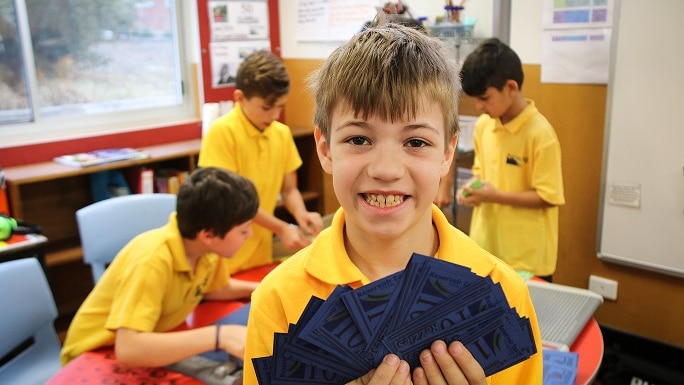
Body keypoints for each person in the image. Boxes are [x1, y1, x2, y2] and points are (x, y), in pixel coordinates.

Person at [243, 24, 543, 385]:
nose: (386, 170)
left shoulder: (503, 292)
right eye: (358, 138)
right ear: (325, 149)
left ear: (447, 152)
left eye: (416, 142)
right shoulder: (277, 301)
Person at [60, 167, 261, 367]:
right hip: (93, 357)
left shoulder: (205, 251)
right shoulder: (151, 261)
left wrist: (262, 291)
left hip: (151, 342)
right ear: (207, 235)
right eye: (244, 230)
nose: (250, 235)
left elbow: (217, 289)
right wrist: (220, 337)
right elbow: (129, 349)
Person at [199, 50, 324, 274]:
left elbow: (289, 190)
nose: (275, 114)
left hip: (260, 252)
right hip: (223, 258)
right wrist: (282, 228)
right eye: (267, 107)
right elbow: (233, 203)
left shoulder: (281, 134)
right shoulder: (222, 133)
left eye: (280, 106)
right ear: (239, 97)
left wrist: (301, 214)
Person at [455, 38, 565, 281]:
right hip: (486, 248)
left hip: (526, 258)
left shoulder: (540, 134)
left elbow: (548, 197)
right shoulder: (484, 125)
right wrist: (471, 190)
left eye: (484, 98)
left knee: (524, 318)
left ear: (511, 88)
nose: (478, 106)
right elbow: (480, 174)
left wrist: (494, 196)